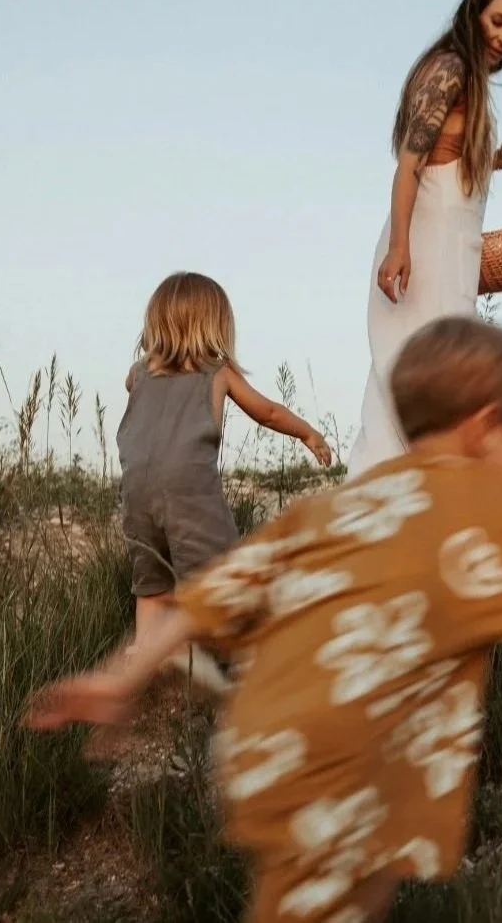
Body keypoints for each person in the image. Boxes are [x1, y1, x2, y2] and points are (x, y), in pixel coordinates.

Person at [28, 316, 502, 923]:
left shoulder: (337, 508)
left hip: (267, 745)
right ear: (483, 429)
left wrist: (123, 679)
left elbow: (203, 599)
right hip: (352, 764)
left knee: (334, 900)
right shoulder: (492, 515)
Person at [345, 0, 502, 479]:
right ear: (473, 10)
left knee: (435, 384)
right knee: (417, 382)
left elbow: (446, 159)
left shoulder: (470, 82)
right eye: (498, 22)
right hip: (423, 248)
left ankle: (414, 511)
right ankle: (387, 512)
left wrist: (494, 159)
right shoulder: (449, 68)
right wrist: (399, 248)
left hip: (450, 254)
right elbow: (410, 165)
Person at [116, 270, 331, 689]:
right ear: (215, 325)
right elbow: (266, 412)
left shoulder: (137, 374)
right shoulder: (217, 373)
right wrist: (308, 432)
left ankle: (146, 656)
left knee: (152, 586)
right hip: (188, 491)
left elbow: (139, 402)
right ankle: (236, 661)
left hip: (135, 492)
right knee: (218, 579)